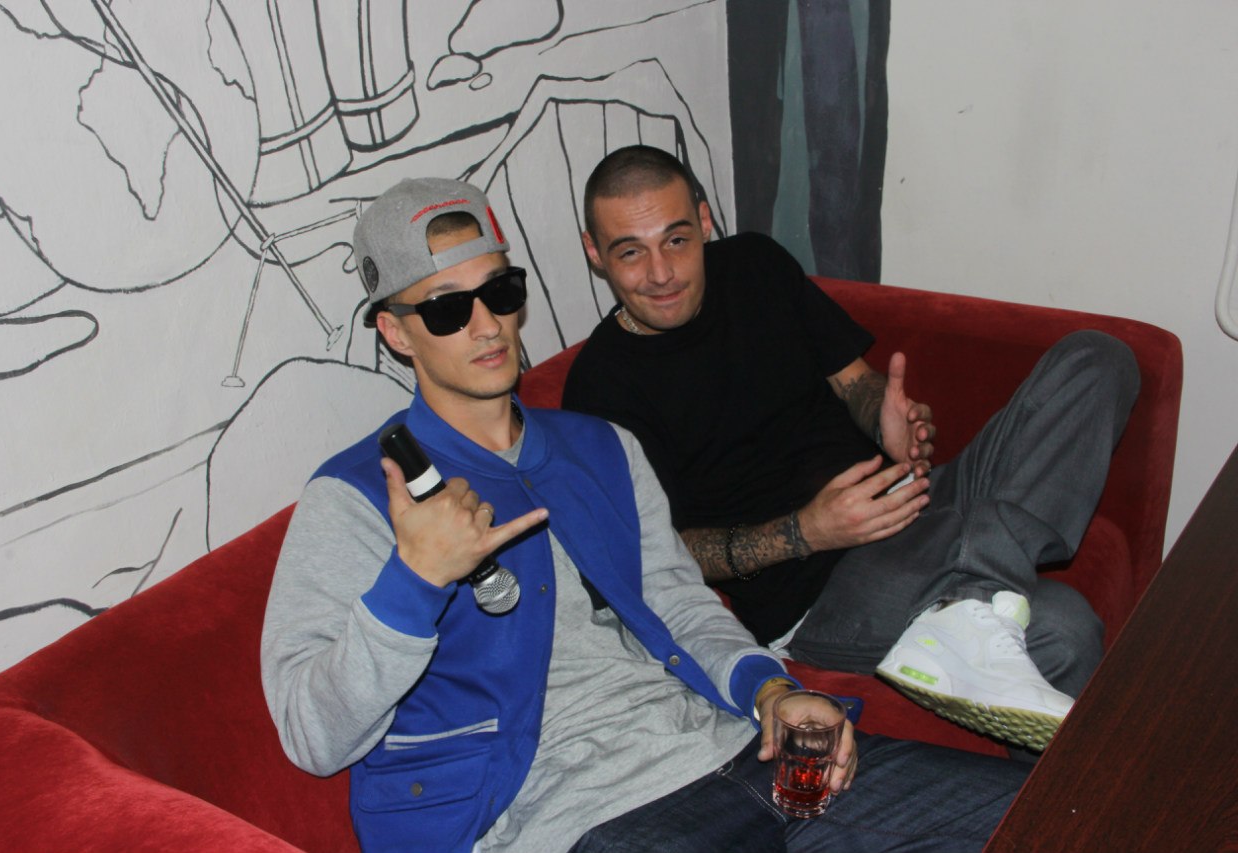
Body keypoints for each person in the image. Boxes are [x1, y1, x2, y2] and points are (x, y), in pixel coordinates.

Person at [260, 177, 1029, 853]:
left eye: (501, 291)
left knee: (1046, 817)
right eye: (447, 309)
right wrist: (415, 579)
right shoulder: (356, 496)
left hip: (742, 757)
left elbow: (677, 600)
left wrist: (774, 692)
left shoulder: (601, 446)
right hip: (586, 817)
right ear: (395, 332)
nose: (487, 324)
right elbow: (311, 733)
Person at [562, 145, 1140, 753]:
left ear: (704, 222)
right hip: (822, 594)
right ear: (595, 253)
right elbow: (654, 559)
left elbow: (855, 383)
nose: (661, 273)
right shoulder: (600, 389)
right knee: (1065, 629)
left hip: (916, 504)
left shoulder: (756, 263)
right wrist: (806, 531)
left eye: (676, 240)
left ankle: (972, 597)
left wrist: (888, 420)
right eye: (631, 252)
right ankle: (980, 599)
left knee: (1098, 359)